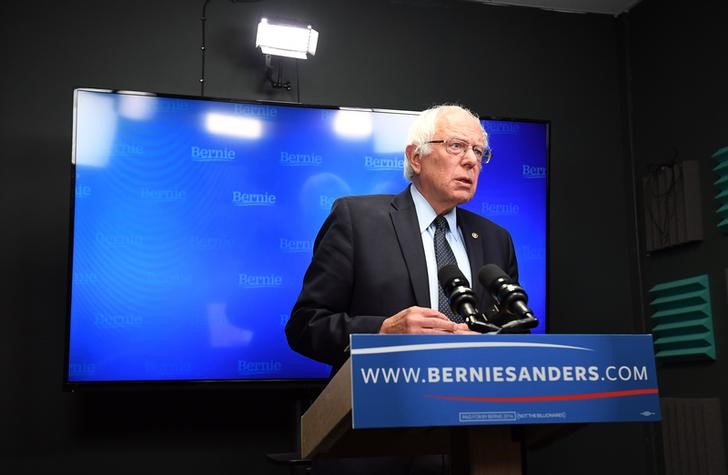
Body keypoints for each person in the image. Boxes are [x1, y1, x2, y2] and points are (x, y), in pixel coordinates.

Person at [286, 103, 519, 373]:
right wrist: (383, 331)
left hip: (475, 406)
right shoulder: (356, 220)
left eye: (478, 151)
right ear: (416, 157)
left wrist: (487, 345)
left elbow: (516, 332)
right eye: (456, 146)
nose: (470, 160)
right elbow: (305, 325)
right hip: (386, 407)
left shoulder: (496, 239)